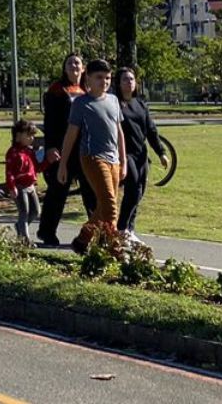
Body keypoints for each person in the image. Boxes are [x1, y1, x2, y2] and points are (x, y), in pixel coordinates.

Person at [54, 60, 124, 254]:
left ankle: (82, 240)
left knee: (104, 206)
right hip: (93, 157)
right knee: (110, 206)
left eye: (107, 78)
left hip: (114, 160)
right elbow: (71, 134)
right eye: (99, 77)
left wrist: (123, 161)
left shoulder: (113, 100)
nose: (104, 82)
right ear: (89, 78)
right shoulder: (81, 103)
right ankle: (114, 249)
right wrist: (63, 164)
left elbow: (119, 132)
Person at [35, 54, 93, 247]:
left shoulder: (89, 89)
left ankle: (98, 233)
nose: (74, 65)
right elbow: (49, 122)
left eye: (77, 62)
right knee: (58, 192)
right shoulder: (57, 91)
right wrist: (51, 147)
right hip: (63, 149)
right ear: (64, 68)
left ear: (83, 68)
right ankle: (47, 232)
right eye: (69, 62)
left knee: (91, 192)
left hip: (85, 149)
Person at [113, 68, 170, 241]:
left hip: (140, 154)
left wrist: (161, 152)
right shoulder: (115, 103)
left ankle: (129, 228)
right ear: (118, 83)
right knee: (134, 189)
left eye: (131, 79)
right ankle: (121, 228)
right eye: (125, 79)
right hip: (124, 153)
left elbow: (151, 130)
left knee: (140, 191)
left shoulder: (140, 104)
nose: (129, 82)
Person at [4, 119, 41, 244]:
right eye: (29, 135)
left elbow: (37, 167)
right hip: (20, 187)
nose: (32, 138)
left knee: (36, 211)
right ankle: (25, 239)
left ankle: (20, 226)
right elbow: (9, 172)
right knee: (24, 212)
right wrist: (11, 186)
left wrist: (49, 161)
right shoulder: (13, 153)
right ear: (18, 136)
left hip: (31, 186)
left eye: (33, 135)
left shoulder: (29, 151)